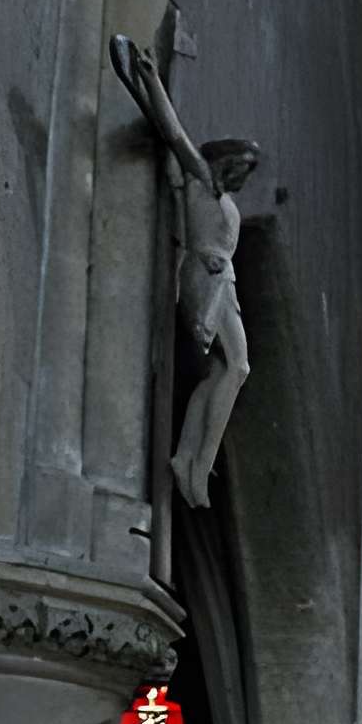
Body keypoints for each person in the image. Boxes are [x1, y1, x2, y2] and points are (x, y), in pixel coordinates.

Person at [111, 34, 257, 508]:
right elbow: (174, 134)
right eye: (241, 167)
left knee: (228, 370)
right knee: (235, 367)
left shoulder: (222, 197)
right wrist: (152, 80)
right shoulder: (200, 180)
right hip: (204, 277)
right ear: (224, 163)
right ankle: (196, 465)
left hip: (223, 283)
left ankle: (190, 461)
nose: (243, 176)